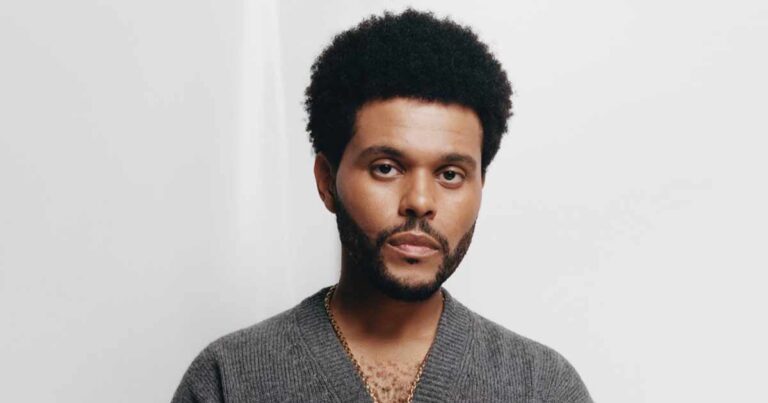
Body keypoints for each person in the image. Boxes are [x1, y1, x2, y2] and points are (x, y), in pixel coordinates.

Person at [172, 9, 592, 403]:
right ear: (326, 181)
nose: (420, 202)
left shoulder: (542, 387)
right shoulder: (228, 379)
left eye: (450, 174)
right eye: (386, 168)